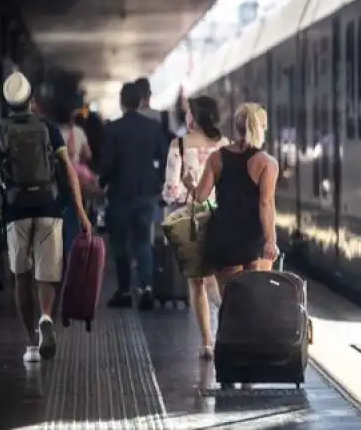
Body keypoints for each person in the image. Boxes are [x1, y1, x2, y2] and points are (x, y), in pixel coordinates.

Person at [0, 72, 92, 364]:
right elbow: (68, 170)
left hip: (15, 211)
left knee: (21, 276)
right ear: (31, 100)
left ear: (7, 102)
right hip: (49, 207)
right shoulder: (48, 127)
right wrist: (80, 211)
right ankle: (45, 318)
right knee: (47, 274)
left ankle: (31, 342)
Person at [183, 103, 279, 292]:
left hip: (225, 237)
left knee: (230, 302)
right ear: (262, 128)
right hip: (254, 239)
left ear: (236, 127)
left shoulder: (216, 158)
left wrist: (189, 184)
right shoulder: (267, 162)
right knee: (257, 301)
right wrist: (270, 240)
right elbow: (266, 203)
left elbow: (200, 197)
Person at [162, 96, 227, 359]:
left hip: (192, 218)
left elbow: (171, 190)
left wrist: (182, 192)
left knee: (197, 280)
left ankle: (207, 343)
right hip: (221, 217)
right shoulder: (225, 146)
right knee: (219, 279)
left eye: (188, 113)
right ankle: (230, 329)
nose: (185, 117)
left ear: (195, 117)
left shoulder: (178, 145)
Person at [100, 82, 168, 310]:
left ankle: (125, 291)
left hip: (120, 194)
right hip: (146, 193)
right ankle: (146, 288)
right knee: (142, 243)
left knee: (120, 245)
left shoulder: (113, 129)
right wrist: (158, 182)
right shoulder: (153, 127)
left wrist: (103, 182)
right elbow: (165, 158)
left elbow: (107, 163)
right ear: (140, 101)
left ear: (122, 103)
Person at [54, 103, 93, 254]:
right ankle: (72, 258)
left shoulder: (51, 132)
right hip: (75, 181)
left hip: (55, 182)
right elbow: (88, 155)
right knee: (73, 218)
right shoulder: (78, 132)